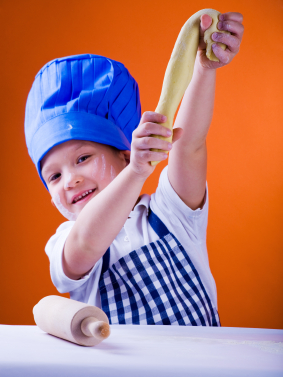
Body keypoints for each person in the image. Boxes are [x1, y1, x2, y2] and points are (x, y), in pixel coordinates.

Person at [24, 12, 244, 326]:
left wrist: (204, 69)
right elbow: (85, 245)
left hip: (206, 371)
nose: (70, 180)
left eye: (83, 158)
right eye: (54, 176)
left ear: (125, 157)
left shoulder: (171, 212)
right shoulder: (65, 241)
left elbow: (188, 143)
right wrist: (138, 172)